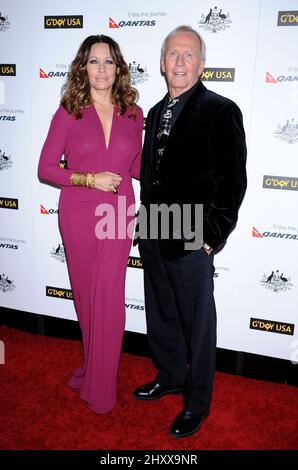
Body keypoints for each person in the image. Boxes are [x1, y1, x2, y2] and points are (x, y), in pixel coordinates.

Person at [133, 26, 247, 437]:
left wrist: (212, 235)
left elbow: (232, 181)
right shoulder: (153, 111)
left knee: (198, 323)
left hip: (192, 234)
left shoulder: (221, 109)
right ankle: (169, 375)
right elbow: (151, 177)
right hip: (155, 229)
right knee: (162, 314)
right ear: (162, 63)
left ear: (201, 64)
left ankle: (196, 402)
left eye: (188, 55)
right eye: (173, 55)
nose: (180, 62)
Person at [38, 35, 143, 414]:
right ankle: (93, 365)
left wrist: (176, 170)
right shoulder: (69, 110)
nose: (102, 69)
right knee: (86, 298)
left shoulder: (134, 113)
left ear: (119, 68)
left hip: (118, 211)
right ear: (84, 67)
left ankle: (101, 386)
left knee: (110, 297)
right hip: (79, 212)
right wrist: (88, 178)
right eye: (94, 61)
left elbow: (135, 167)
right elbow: (45, 168)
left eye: (109, 61)